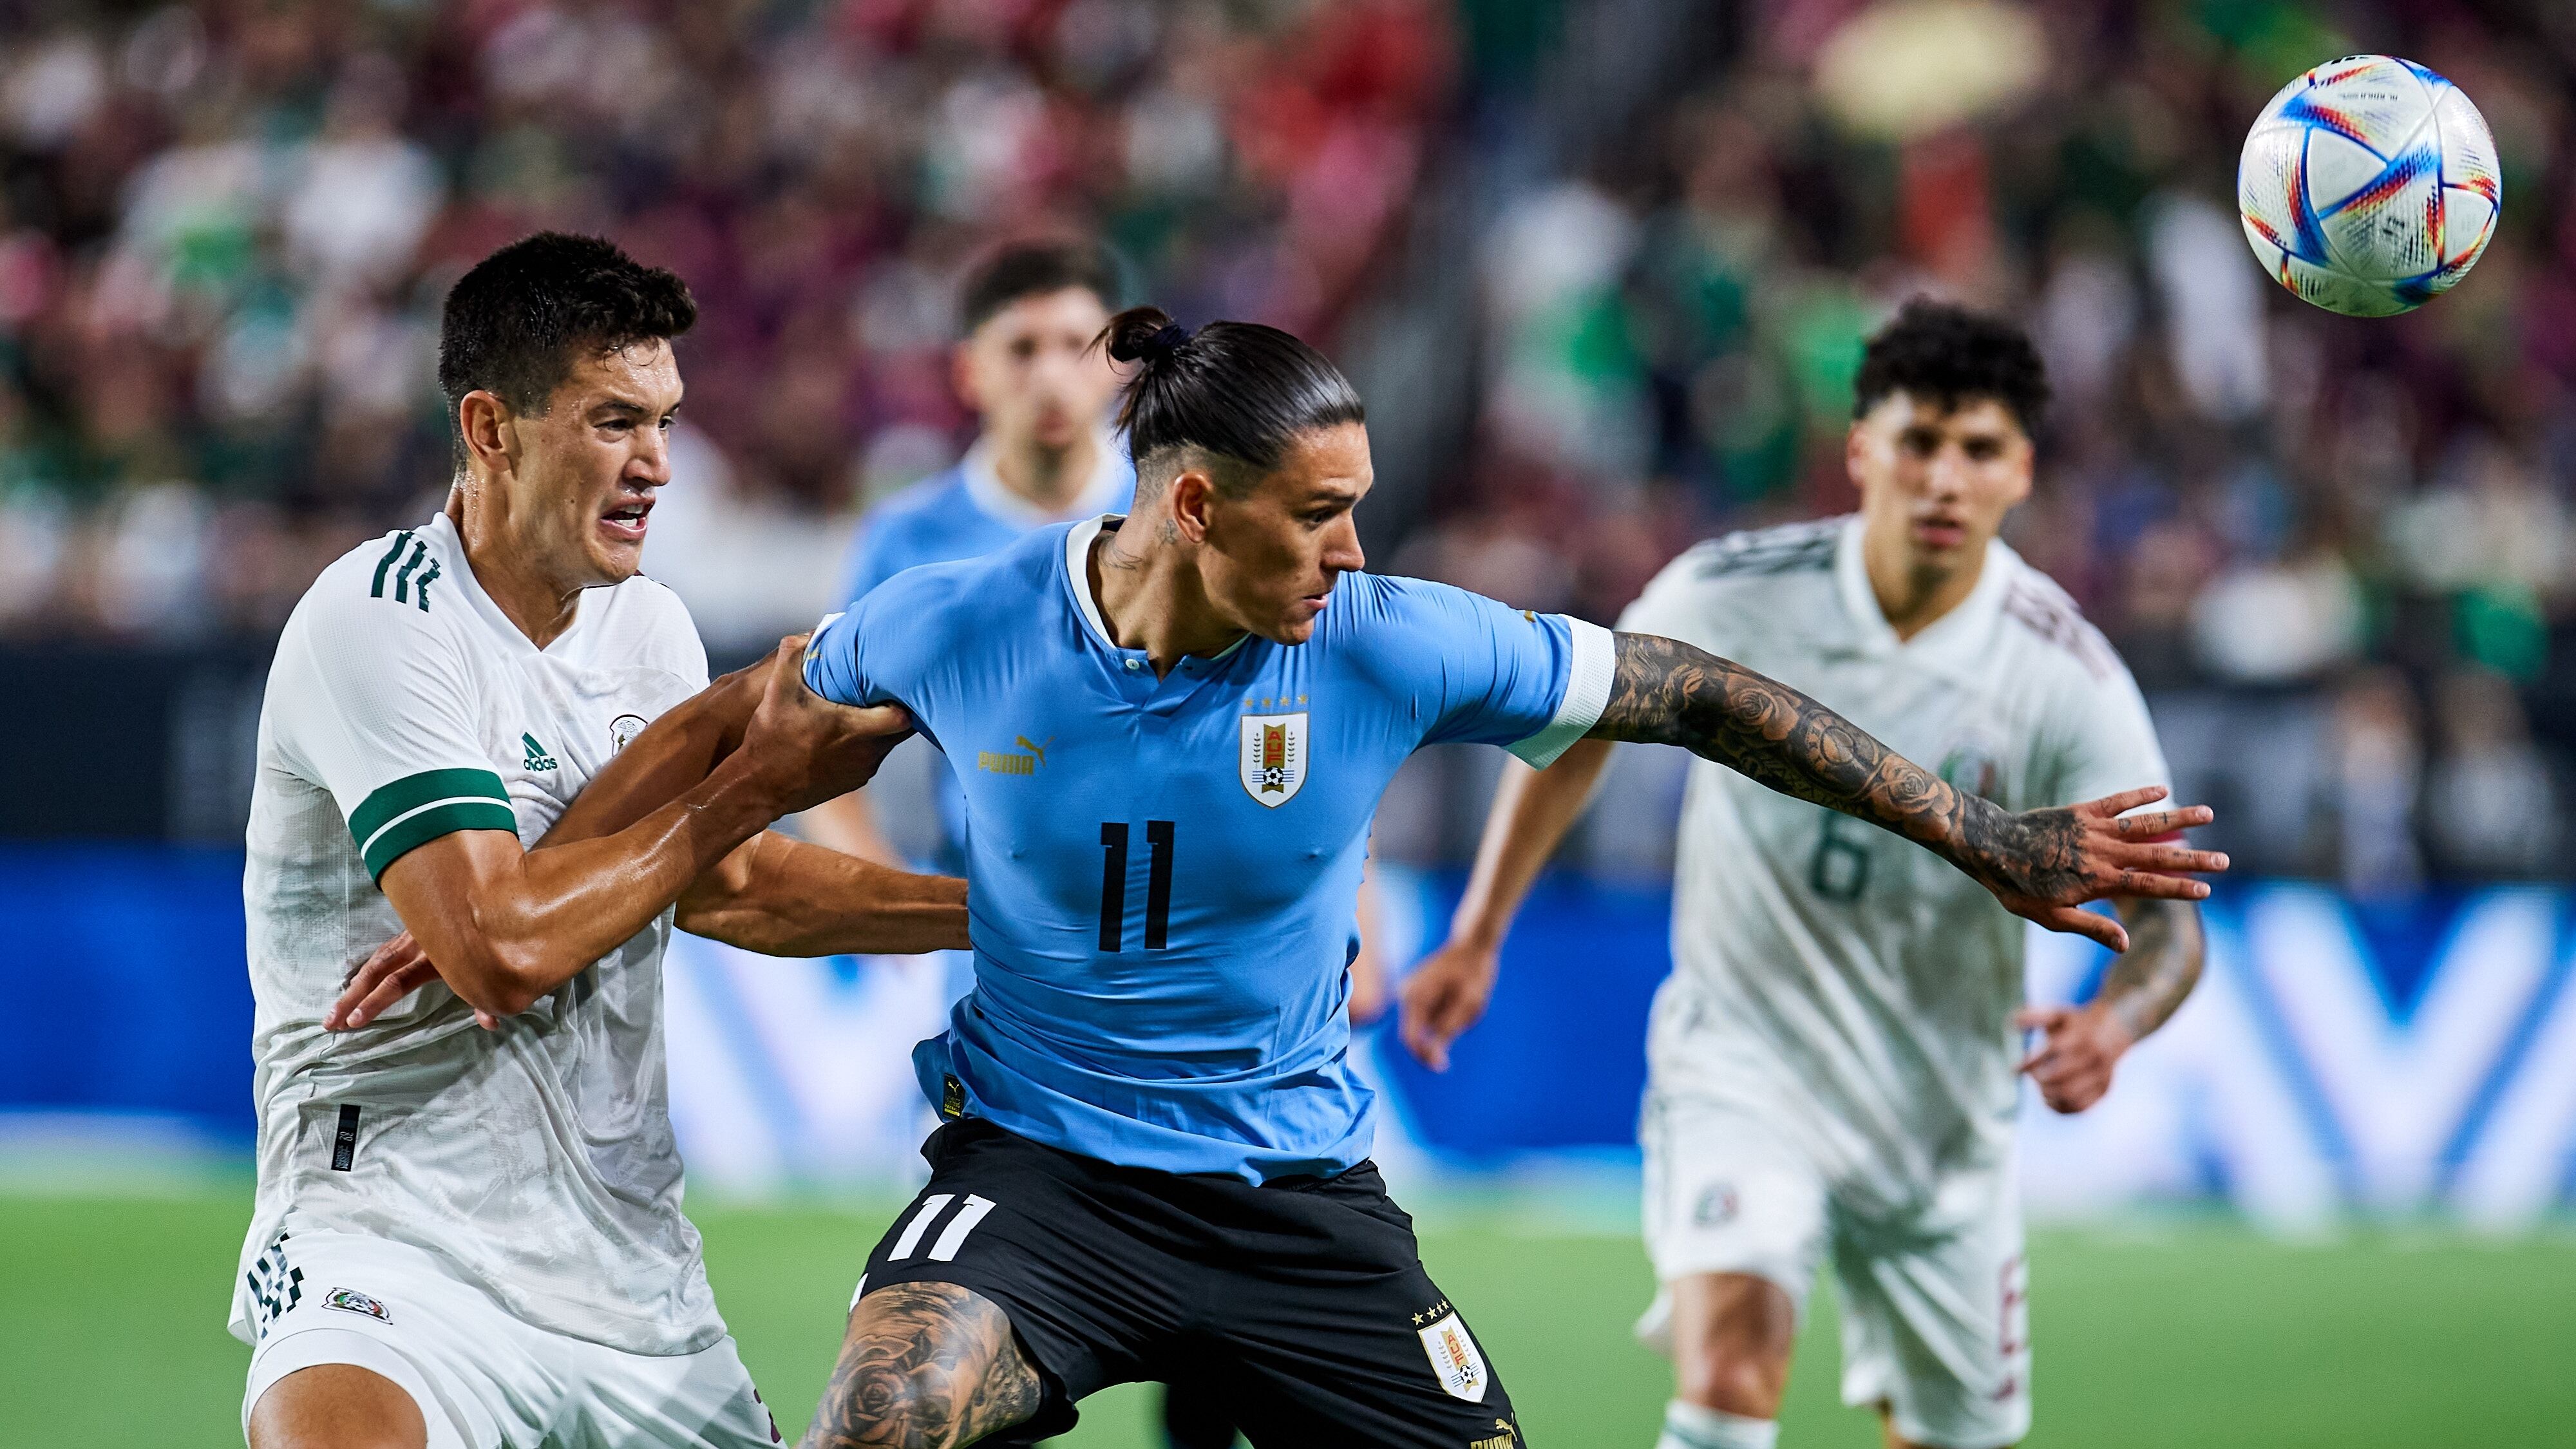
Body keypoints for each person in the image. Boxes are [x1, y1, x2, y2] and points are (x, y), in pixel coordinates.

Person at [779, 305, 2226, 1448]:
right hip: (1044, 1173)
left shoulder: (1383, 634)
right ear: (1203, 509)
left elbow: (1681, 698)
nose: (1353, 550)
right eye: (1319, 510)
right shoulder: (967, 612)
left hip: (1294, 1196)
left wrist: (1979, 837)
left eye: (1361, 505)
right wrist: (600, 853)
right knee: (879, 1418)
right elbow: (758, 721)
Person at [1400, 300, 2210, 1449]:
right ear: (1861, 450)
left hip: (1941, 1110)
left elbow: (2167, 915)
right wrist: (1481, 928)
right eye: (1918, 442)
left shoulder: (2065, 672)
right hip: (1747, 1058)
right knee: (1732, 1361)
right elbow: (1579, 725)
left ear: (2021, 470)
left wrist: (2116, 1024)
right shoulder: (1730, 591)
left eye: (1978, 450)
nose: (1944, 479)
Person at [238, 231, 965, 1449]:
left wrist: (996, 911)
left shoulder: (648, 627)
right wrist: (751, 780)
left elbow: (733, 890)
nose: (658, 466)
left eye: (668, 422)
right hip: (396, 1247)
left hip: (632, 1277)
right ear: (490, 430)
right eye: (616, 422)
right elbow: (500, 951)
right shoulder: (379, 621)